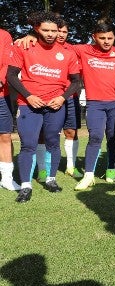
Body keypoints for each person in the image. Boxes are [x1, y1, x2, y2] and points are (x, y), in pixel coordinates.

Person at [7, 11, 81, 202]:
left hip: (55, 106)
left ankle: (51, 179)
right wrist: (28, 96)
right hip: (29, 104)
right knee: (28, 145)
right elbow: (11, 76)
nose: (50, 34)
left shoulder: (67, 53)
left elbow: (76, 81)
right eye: (46, 30)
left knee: (53, 143)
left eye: (54, 31)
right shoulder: (24, 47)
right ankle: (25, 186)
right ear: (36, 29)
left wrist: (63, 98)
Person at [71, 23, 115, 189]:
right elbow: (59, 44)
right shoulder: (83, 50)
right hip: (94, 103)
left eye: (110, 38)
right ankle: (88, 175)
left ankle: (111, 169)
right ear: (94, 37)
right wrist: (31, 37)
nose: (106, 41)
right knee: (95, 137)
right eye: (102, 38)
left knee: (112, 136)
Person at [34, 19, 83, 180]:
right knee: (43, 133)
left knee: (71, 131)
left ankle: (70, 166)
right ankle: (42, 168)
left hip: (69, 97)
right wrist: (27, 37)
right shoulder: (37, 44)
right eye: (58, 31)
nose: (61, 35)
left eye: (64, 32)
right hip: (47, 97)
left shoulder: (73, 50)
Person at [0, 28, 18, 191]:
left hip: (1, 94)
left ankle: (7, 178)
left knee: (4, 136)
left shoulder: (4, 35)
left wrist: (0, 81)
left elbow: (7, 62)